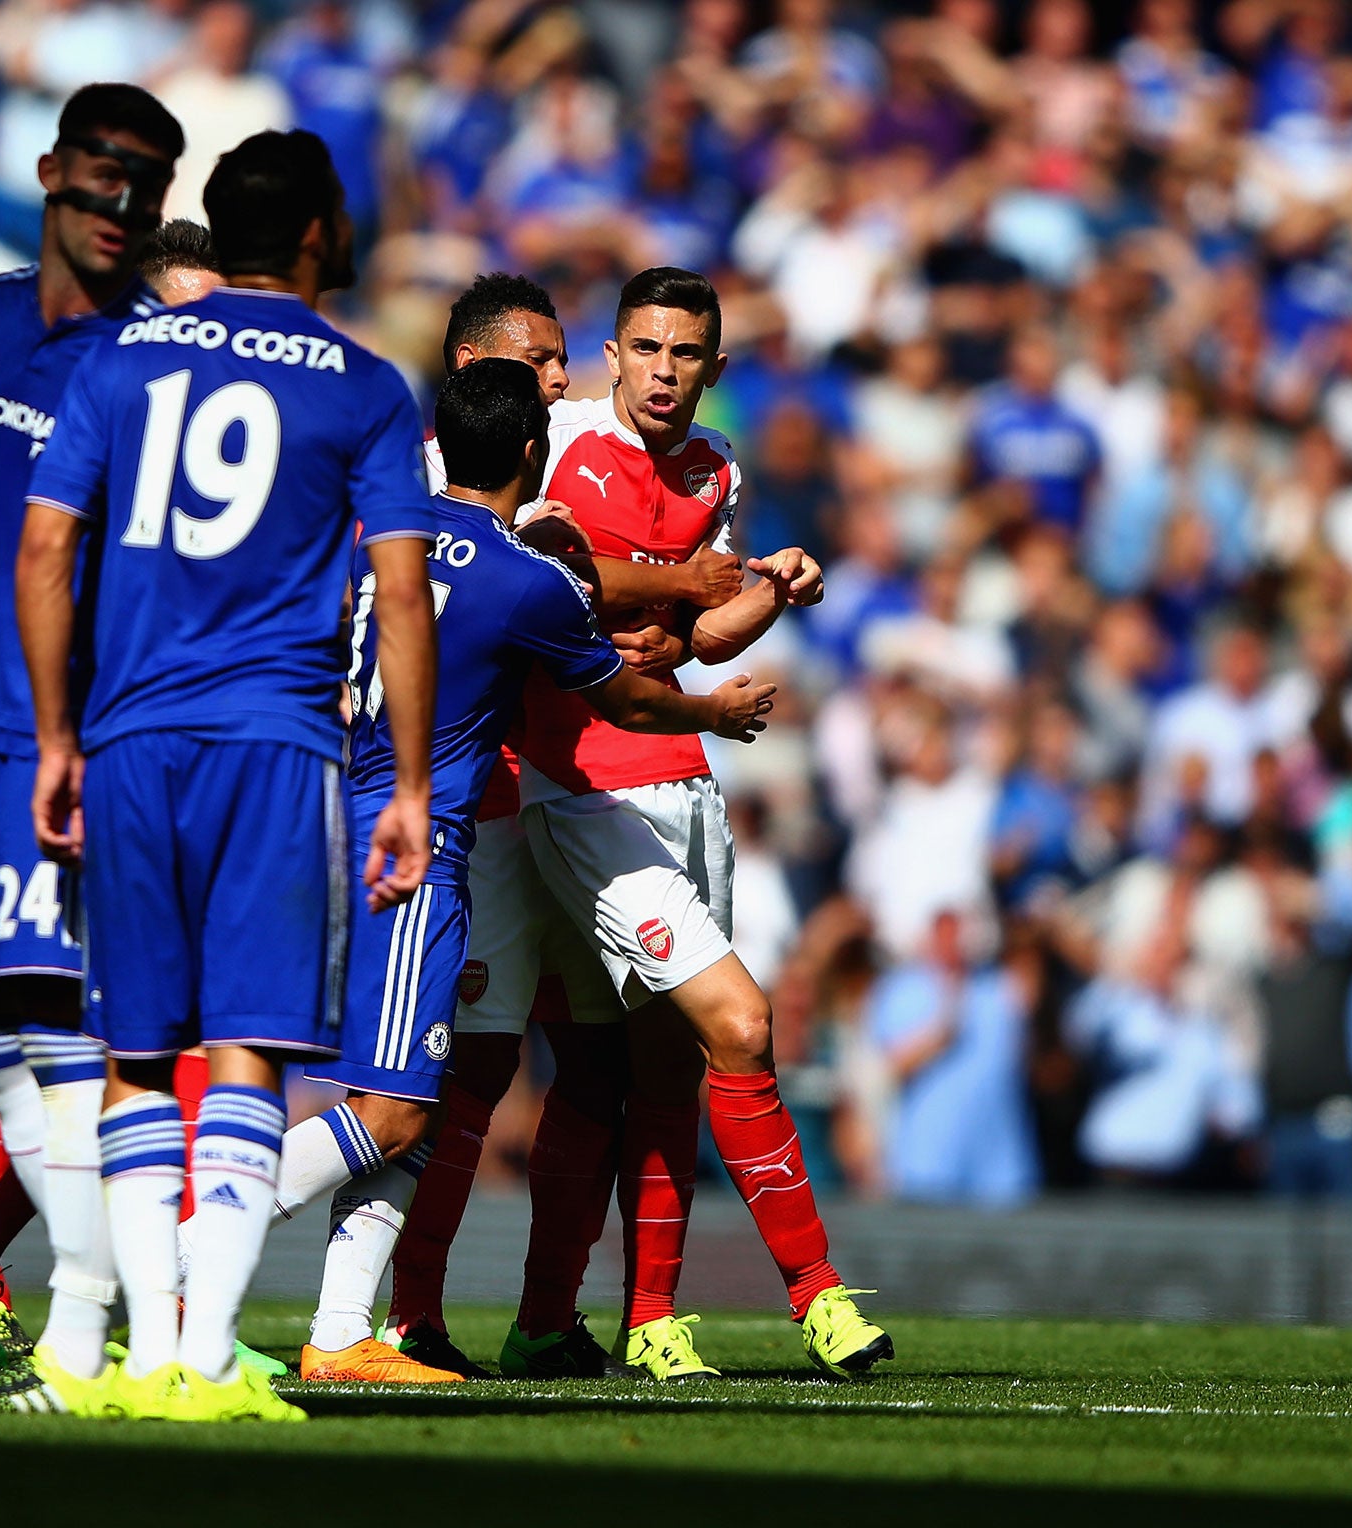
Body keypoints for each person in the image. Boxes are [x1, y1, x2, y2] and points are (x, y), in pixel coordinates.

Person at [24, 127, 437, 1421]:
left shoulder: (122, 358)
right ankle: (207, 1363)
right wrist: (413, 787)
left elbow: (43, 552)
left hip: (133, 737)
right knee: (250, 1052)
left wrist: (54, 737)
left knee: (137, 1054)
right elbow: (404, 593)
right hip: (278, 745)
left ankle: (146, 1357)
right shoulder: (365, 386)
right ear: (318, 233)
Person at [277, 356, 774, 1383]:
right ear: (528, 453)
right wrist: (712, 711)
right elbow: (626, 702)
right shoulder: (523, 579)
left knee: (402, 1091)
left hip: (319, 818)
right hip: (418, 842)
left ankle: (337, 1332)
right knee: (398, 1108)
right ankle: (198, 1228)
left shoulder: (377, 541)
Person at [512, 265, 892, 1380]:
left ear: (713, 367)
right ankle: (816, 1293)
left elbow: (700, 634)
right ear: (611, 354)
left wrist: (771, 584)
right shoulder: (561, 437)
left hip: (683, 773)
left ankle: (623, 1319)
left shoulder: (717, 465)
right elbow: (565, 591)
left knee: (649, 1073)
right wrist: (672, 593)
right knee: (737, 1024)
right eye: (645, 349)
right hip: (577, 783)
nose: (664, 373)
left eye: (685, 354)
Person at [390, 270, 748, 1382]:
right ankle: (403, 1314)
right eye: (539, 366)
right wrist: (685, 584)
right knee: (470, 1069)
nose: (559, 383)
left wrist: (719, 597)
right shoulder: (453, 484)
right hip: (485, 799)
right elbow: (577, 579)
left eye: (560, 362)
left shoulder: (586, 450)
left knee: (593, 1065)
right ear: (475, 373)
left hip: (575, 792)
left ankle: (545, 1313)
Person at [0, 84, 189, 1378]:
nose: (126, 206)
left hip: (90, 742)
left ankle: (94, 1327)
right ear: (54, 169)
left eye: (151, 186)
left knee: (88, 1039)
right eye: (108, 175)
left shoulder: (148, 358)